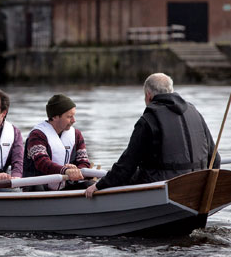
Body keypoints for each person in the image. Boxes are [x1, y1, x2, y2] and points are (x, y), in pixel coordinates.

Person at [85, 73, 220, 199]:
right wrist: (207, 187)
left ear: (148, 95)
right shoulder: (195, 113)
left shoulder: (148, 120)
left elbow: (127, 166)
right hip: (197, 185)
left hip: (165, 188)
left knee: (126, 178)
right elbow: (215, 159)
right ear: (171, 90)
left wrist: (98, 186)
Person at [22, 93, 91, 190]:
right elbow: (42, 163)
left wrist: (76, 170)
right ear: (55, 117)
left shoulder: (76, 135)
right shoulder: (37, 135)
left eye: (74, 116)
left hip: (65, 186)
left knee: (90, 185)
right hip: (37, 185)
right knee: (37, 188)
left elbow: (85, 163)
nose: (74, 120)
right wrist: (65, 170)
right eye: (69, 117)